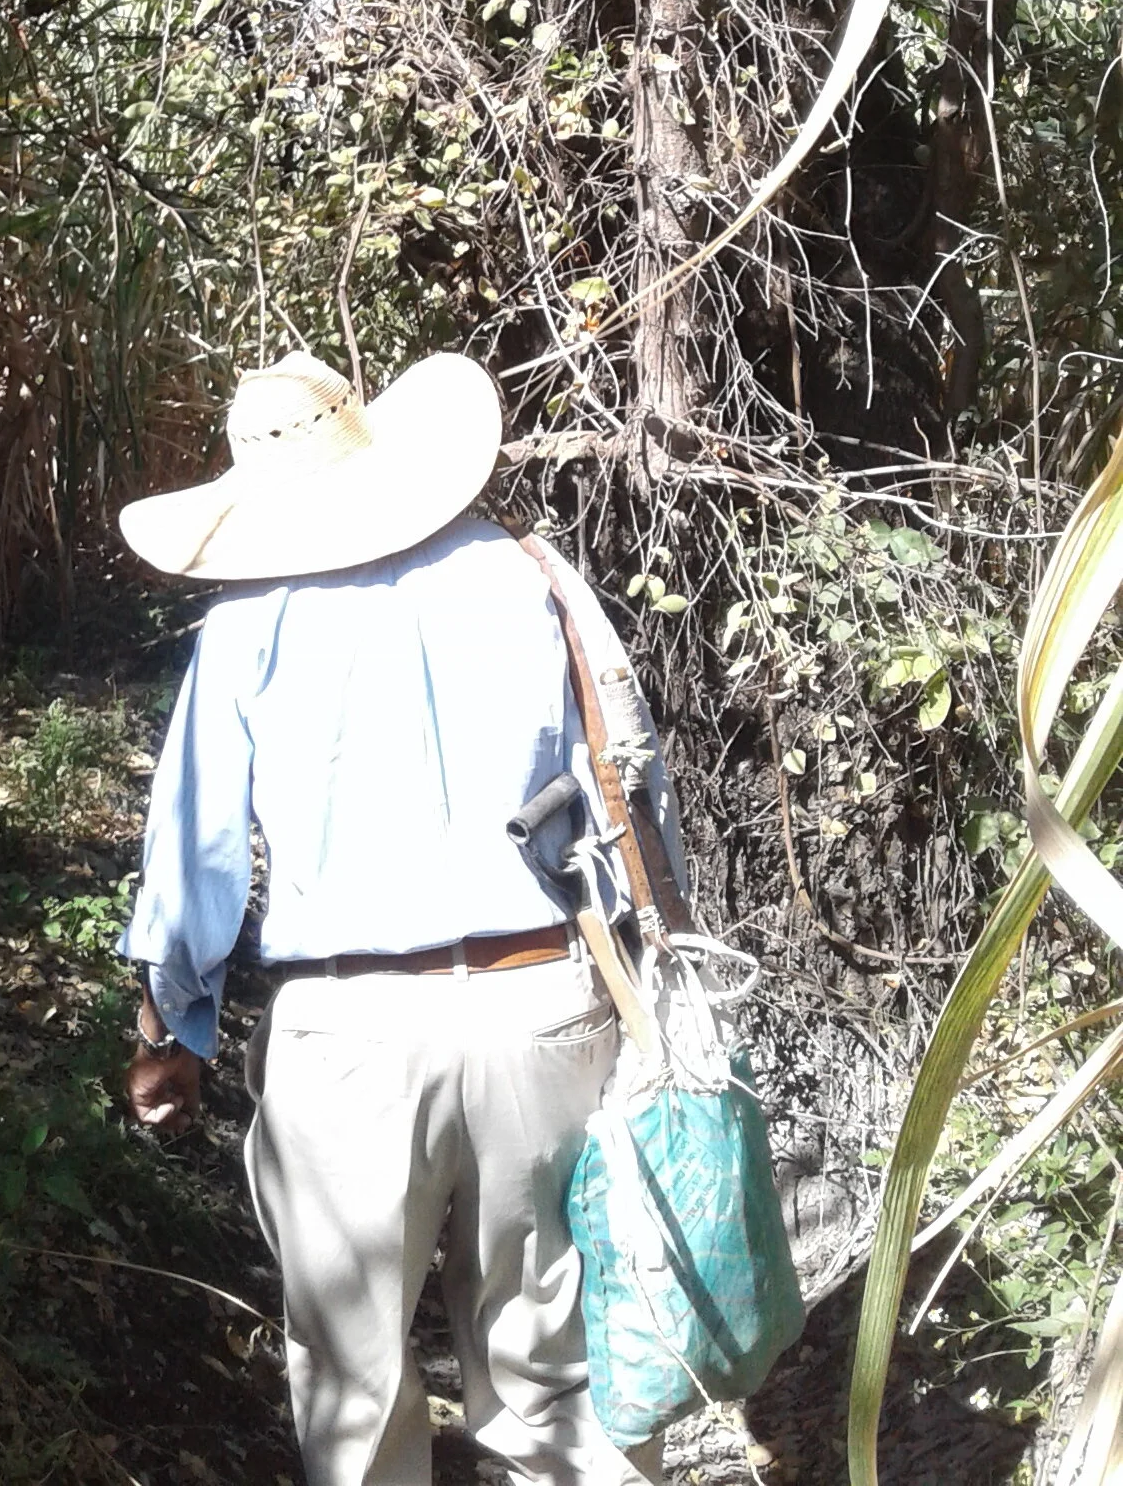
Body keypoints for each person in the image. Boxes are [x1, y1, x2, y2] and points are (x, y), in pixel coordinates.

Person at [115, 349, 686, 1486]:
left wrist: (169, 1028)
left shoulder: (247, 624)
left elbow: (198, 849)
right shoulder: (530, 573)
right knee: (557, 1381)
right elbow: (631, 783)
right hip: (544, 1005)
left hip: (352, 1032)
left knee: (355, 1390)